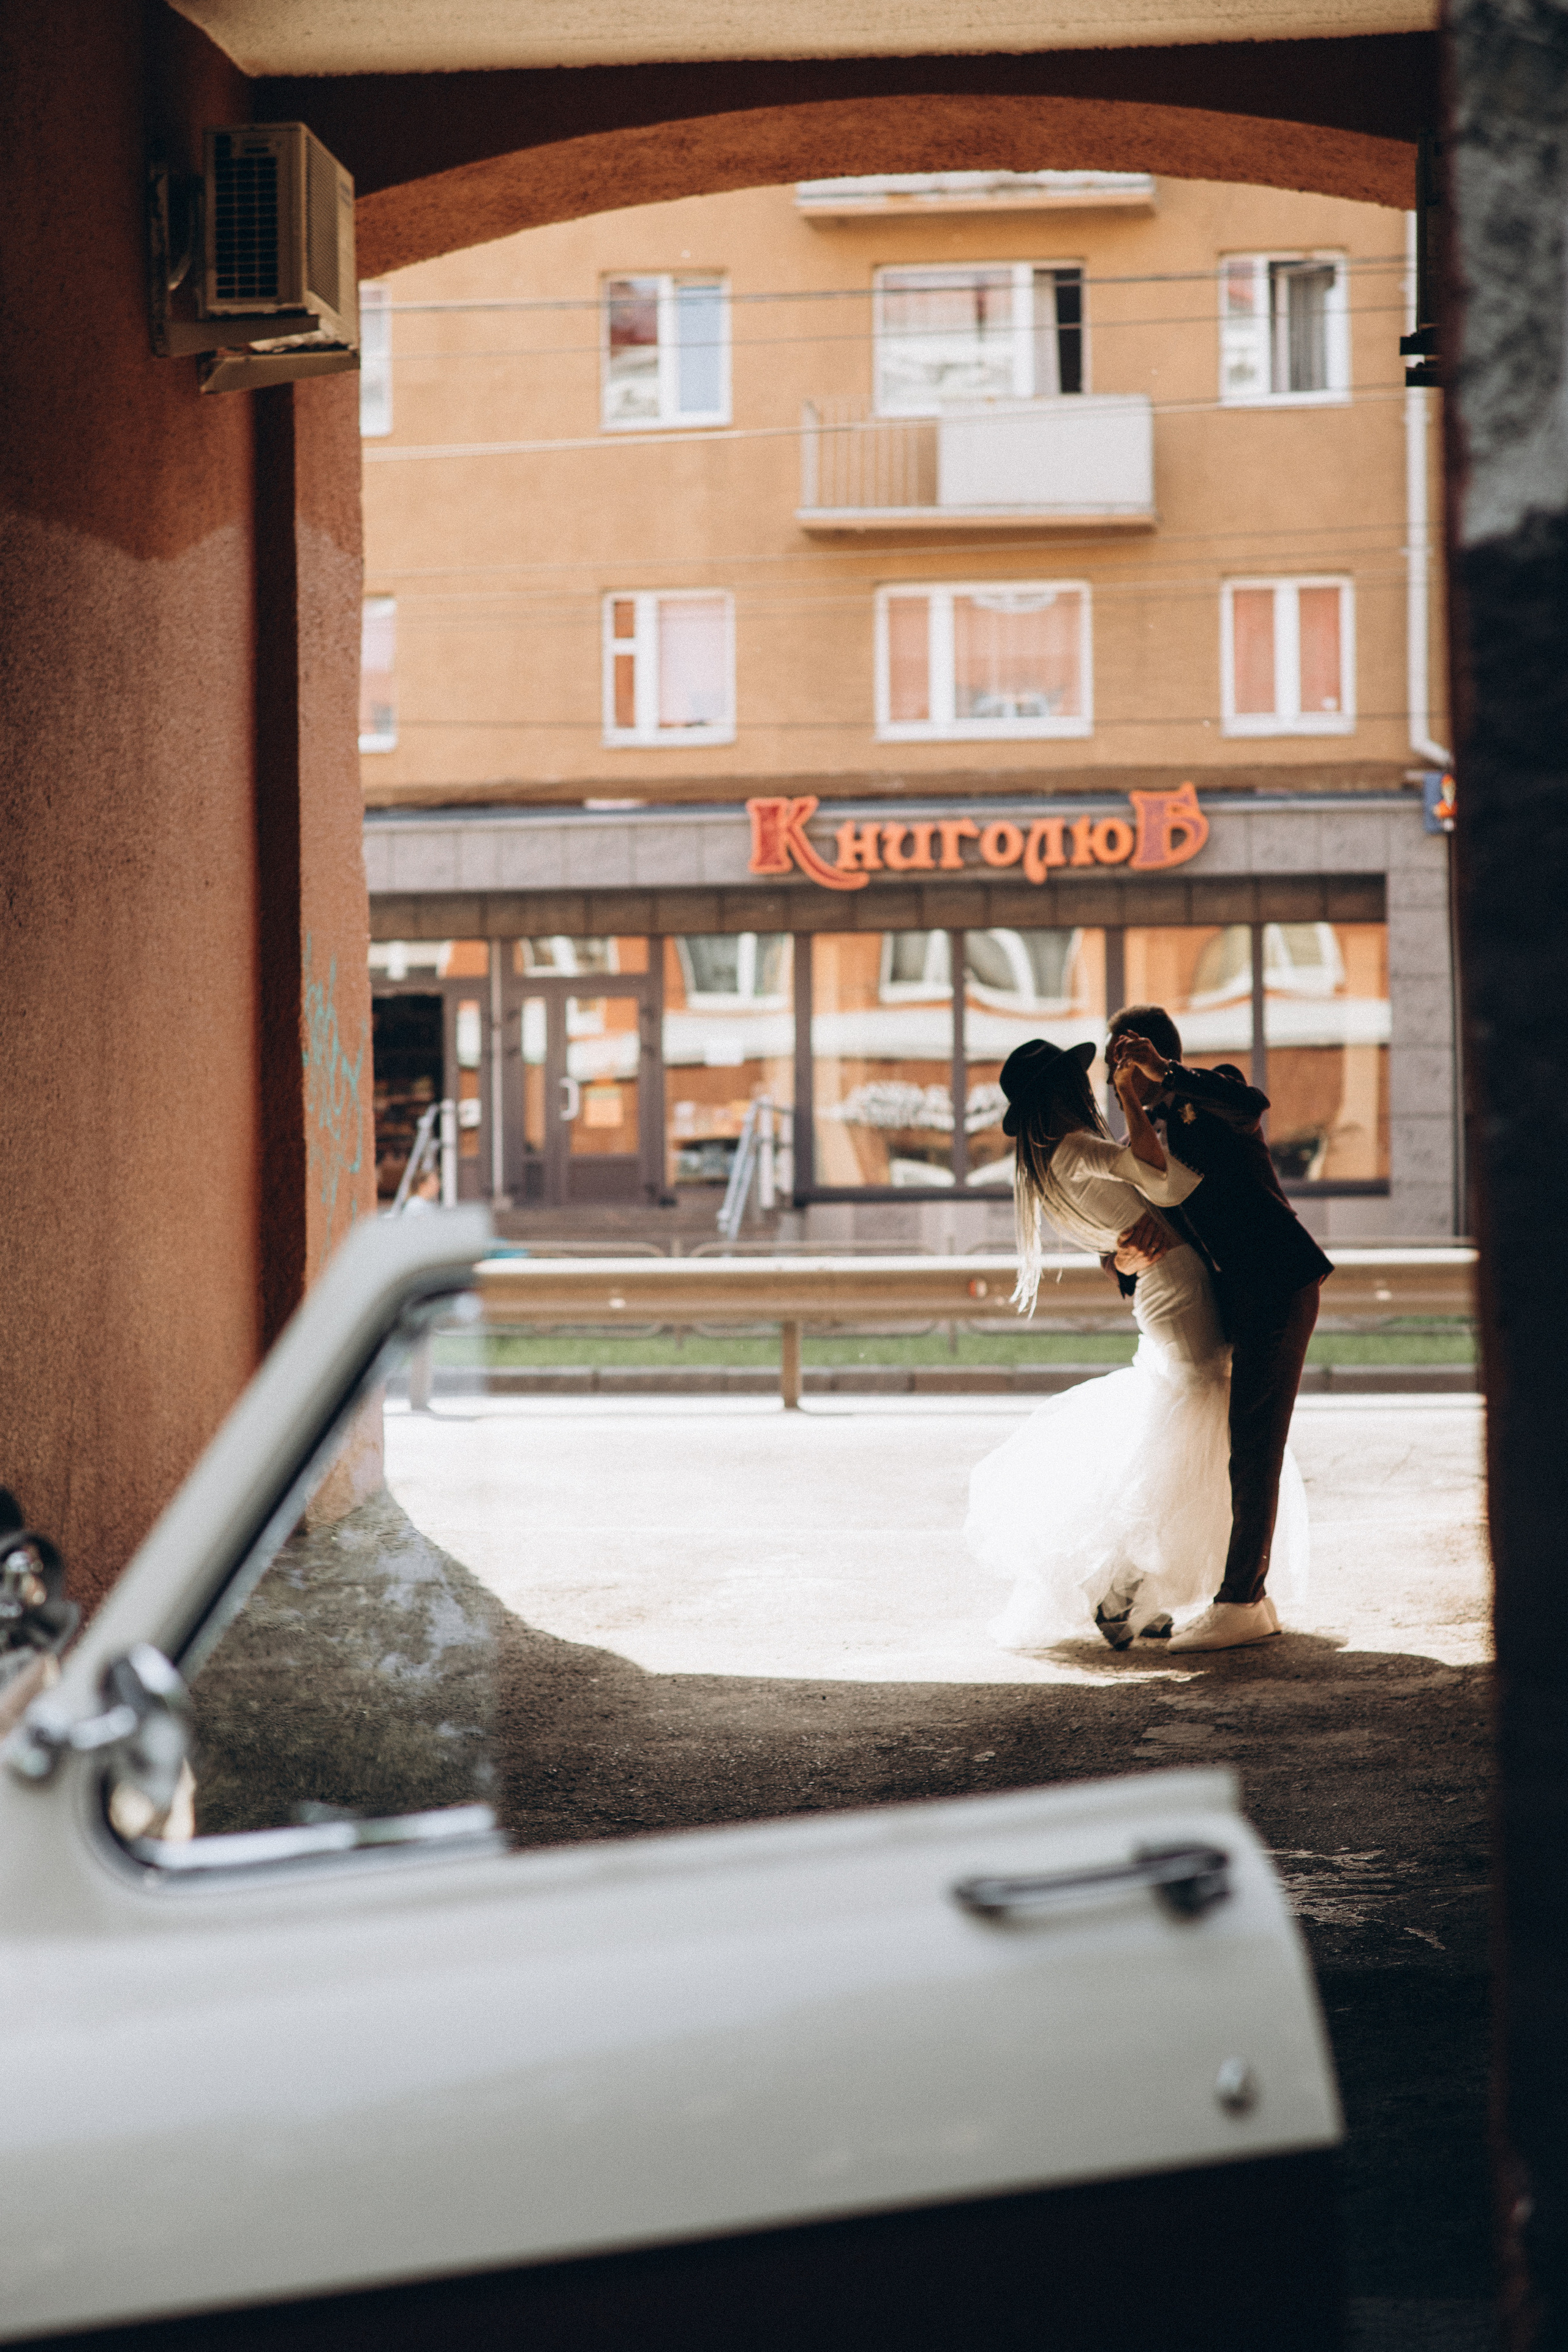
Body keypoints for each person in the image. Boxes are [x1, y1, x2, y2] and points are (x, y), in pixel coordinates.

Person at [963, 1036, 1308, 1653]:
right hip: (1175, 1285)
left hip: (1164, 1284)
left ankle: (1133, 1594)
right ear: (1064, 1091)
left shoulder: (1053, 1161)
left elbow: (1129, 1207)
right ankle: (1120, 1589)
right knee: (1194, 1415)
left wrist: (1120, 1249)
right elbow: (1163, 1183)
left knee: (1182, 1413)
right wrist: (1128, 1098)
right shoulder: (1073, 1148)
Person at [1103, 1005, 1332, 1651]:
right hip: (1228, 1306)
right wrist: (1124, 1258)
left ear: (1160, 1054)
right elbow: (1119, 1243)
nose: (1125, 1069)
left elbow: (1252, 1102)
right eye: (1116, 1061)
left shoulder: (1214, 1093)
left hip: (1279, 1284)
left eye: (1133, 1056)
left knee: (1253, 1443)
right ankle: (1245, 1598)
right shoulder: (1139, 1145)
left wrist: (1165, 1073)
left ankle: (1241, 1601)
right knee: (1233, 1445)